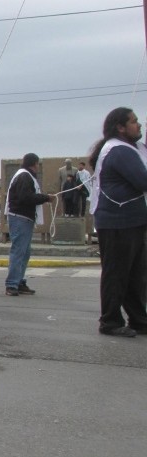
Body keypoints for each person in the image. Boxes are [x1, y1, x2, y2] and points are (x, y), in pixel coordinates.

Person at [88, 107, 147, 337]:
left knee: (134, 273)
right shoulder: (120, 150)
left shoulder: (128, 148)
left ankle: (138, 318)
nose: (139, 125)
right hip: (118, 221)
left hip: (130, 220)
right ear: (120, 127)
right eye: (134, 122)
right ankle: (110, 321)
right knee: (117, 273)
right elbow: (142, 180)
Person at [4, 153, 55, 296]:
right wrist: (45, 198)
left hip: (24, 218)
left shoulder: (25, 175)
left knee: (24, 253)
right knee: (19, 251)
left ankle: (19, 281)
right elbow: (25, 197)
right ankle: (12, 284)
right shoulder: (24, 176)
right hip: (20, 218)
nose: (38, 167)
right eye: (37, 164)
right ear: (34, 164)